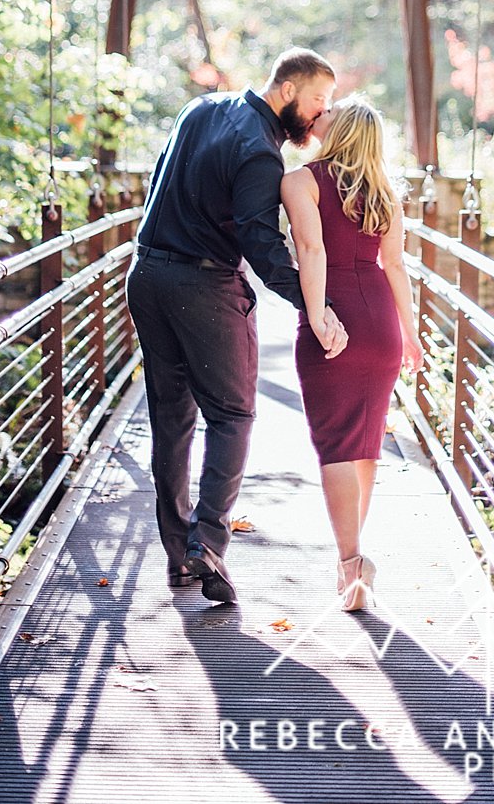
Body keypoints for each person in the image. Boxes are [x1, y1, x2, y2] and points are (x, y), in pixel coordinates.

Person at [123, 48, 347, 604]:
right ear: (289, 90)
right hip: (204, 287)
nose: (322, 114)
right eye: (319, 100)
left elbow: (157, 189)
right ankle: (209, 544)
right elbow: (261, 243)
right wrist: (311, 305)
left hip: (146, 275)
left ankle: (180, 559)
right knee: (233, 414)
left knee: (171, 419)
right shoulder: (260, 152)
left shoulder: (199, 109)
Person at [281, 97, 424, 611]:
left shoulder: (301, 181)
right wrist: (409, 332)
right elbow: (396, 267)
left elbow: (312, 252)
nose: (318, 116)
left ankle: (352, 565)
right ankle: (354, 557)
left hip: (336, 313)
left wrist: (319, 318)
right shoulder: (386, 193)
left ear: (336, 130)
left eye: (327, 114)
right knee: (364, 441)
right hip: (381, 323)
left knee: (336, 444)